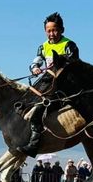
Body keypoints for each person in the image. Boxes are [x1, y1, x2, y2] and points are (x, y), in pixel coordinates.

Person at [17, 12, 80, 156]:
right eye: (49, 31)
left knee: (39, 108)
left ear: (62, 30)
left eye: (55, 30)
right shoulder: (43, 47)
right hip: (47, 82)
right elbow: (35, 62)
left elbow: (74, 64)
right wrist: (35, 68)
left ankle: (34, 144)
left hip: (64, 85)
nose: (52, 33)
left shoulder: (69, 45)